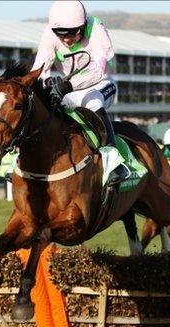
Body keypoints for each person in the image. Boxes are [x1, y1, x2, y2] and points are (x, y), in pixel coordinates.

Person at [31, 0, 127, 188]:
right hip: (71, 89)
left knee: (91, 101)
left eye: (72, 33)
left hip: (102, 85)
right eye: (61, 34)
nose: (66, 39)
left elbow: (98, 70)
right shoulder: (49, 33)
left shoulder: (96, 28)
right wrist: (46, 83)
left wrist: (66, 86)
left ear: (82, 26)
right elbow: (39, 68)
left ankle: (113, 160)